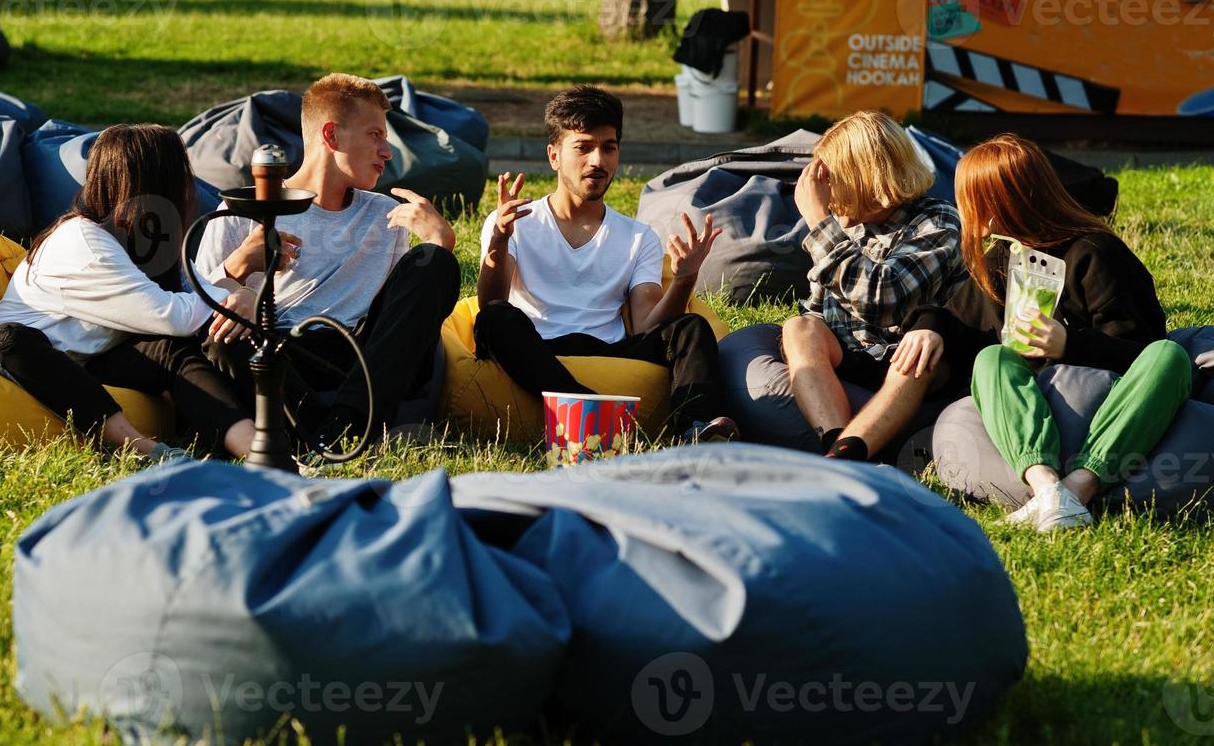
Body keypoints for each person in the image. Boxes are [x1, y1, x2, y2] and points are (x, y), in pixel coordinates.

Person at [901, 134, 1189, 532]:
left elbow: (1140, 348)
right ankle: (1048, 488)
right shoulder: (1002, 258)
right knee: (991, 358)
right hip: (1035, 419)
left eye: (973, 201)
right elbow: (958, 319)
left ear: (1004, 204)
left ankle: (1079, 487)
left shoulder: (1095, 252)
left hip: (1106, 407)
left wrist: (1069, 344)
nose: (967, 214)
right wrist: (929, 327)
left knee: (1170, 357)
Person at [195, 73, 460, 447]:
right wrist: (238, 269)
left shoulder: (387, 217)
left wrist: (438, 242)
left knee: (436, 263)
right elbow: (195, 311)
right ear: (331, 136)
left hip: (358, 360)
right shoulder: (246, 208)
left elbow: (400, 327)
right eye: (375, 135)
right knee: (222, 337)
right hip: (283, 354)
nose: (387, 151)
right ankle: (325, 432)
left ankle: (346, 426)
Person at [0, 125, 260, 460]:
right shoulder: (81, 242)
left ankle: (257, 451)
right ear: (155, 185)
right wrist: (228, 300)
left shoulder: (146, 240)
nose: (189, 187)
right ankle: (146, 451)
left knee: (170, 350)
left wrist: (242, 295)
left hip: (87, 360)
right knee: (11, 339)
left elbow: (197, 294)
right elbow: (173, 314)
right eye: (181, 175)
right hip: (18, 363)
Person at [473, 85, 735, 442]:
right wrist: (500, 240)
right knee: (493, 319)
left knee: (691, 326)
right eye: (583, 147)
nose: (598, 161)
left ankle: (694, 429)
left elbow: (646, 325)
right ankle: (596, 413)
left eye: (608, 148)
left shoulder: (637, 236)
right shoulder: (515, 221)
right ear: (554, 156)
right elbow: (490, 301)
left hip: (608, 347)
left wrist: (685, 278)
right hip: (535, 344)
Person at [781, 110, 964, 461]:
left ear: (866, 177)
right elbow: (817, 309)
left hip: (906, 360)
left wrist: (820, 224)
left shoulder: (936, 220)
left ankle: (853, 452)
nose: (826, 195)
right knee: (799, 326)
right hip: (853, 355)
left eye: (831, 181)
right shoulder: (843, 224)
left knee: (917, 353)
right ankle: (837, 448)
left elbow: (884, 300)